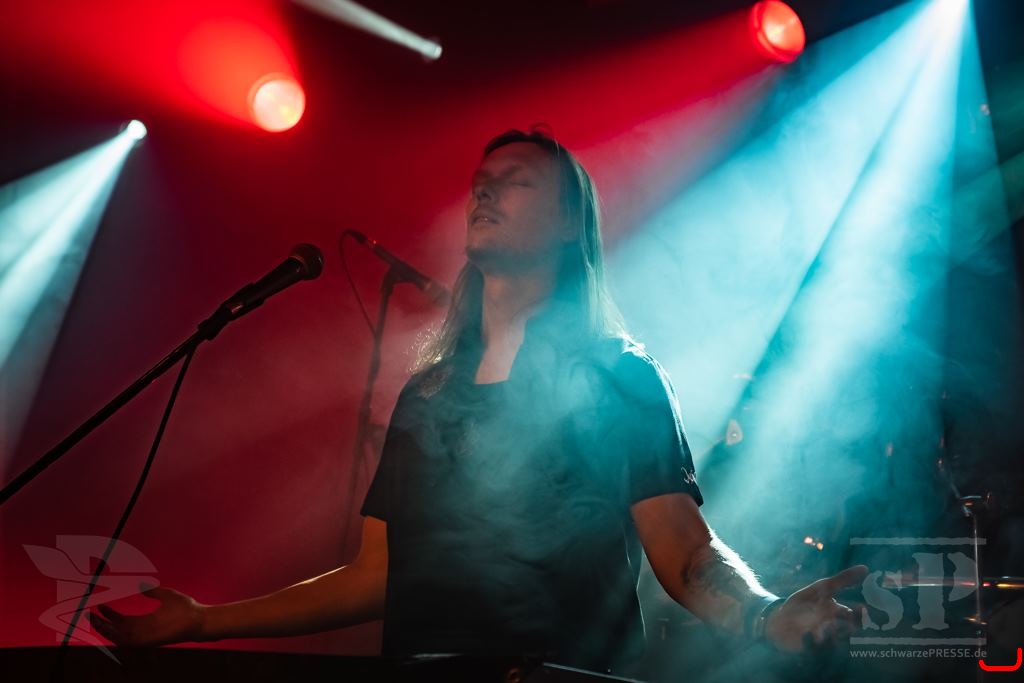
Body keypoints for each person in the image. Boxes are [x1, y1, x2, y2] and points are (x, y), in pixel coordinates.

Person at [88, 128, 867, 674]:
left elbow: (685, 553)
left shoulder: (618, 377)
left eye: (516, 180)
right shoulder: (428, 396)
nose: (486, 191)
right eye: (481, 182)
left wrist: (765, 612)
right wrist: (203, 620)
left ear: (569, 221)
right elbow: (374, 576)